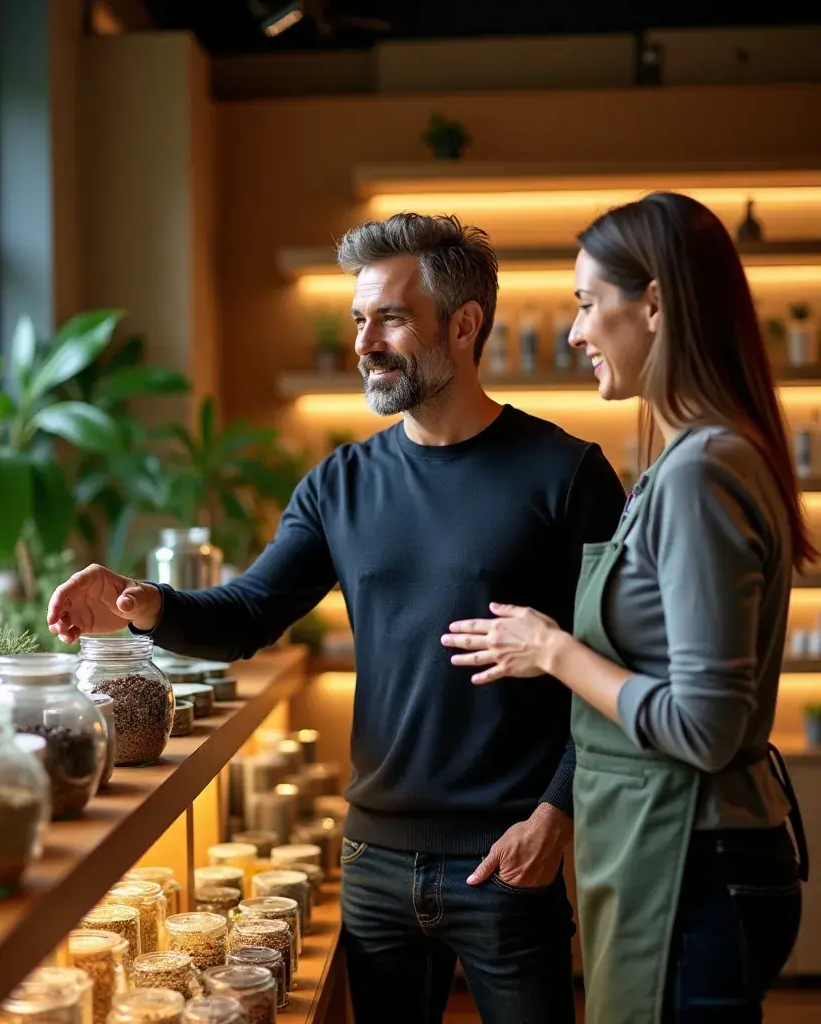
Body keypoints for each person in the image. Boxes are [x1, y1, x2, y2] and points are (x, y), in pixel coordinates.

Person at [47, 213, 625, 1023]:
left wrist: (555, 816)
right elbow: (250, 612)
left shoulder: (568, 477)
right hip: (375, 862)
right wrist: (146, 606)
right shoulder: (339, 485)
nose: (364, 343)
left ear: (464, 325)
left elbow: (614, 662)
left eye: (389, 317)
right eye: (359, 319)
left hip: (508, 859)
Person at [442, 191, 810, 1024]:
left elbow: (704, 725)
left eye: (585, 303)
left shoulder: (701, 470)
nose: (575, 332)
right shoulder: (692, 455)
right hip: (685, 855)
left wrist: (553, 650)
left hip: (698, 861)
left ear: (653, 305)